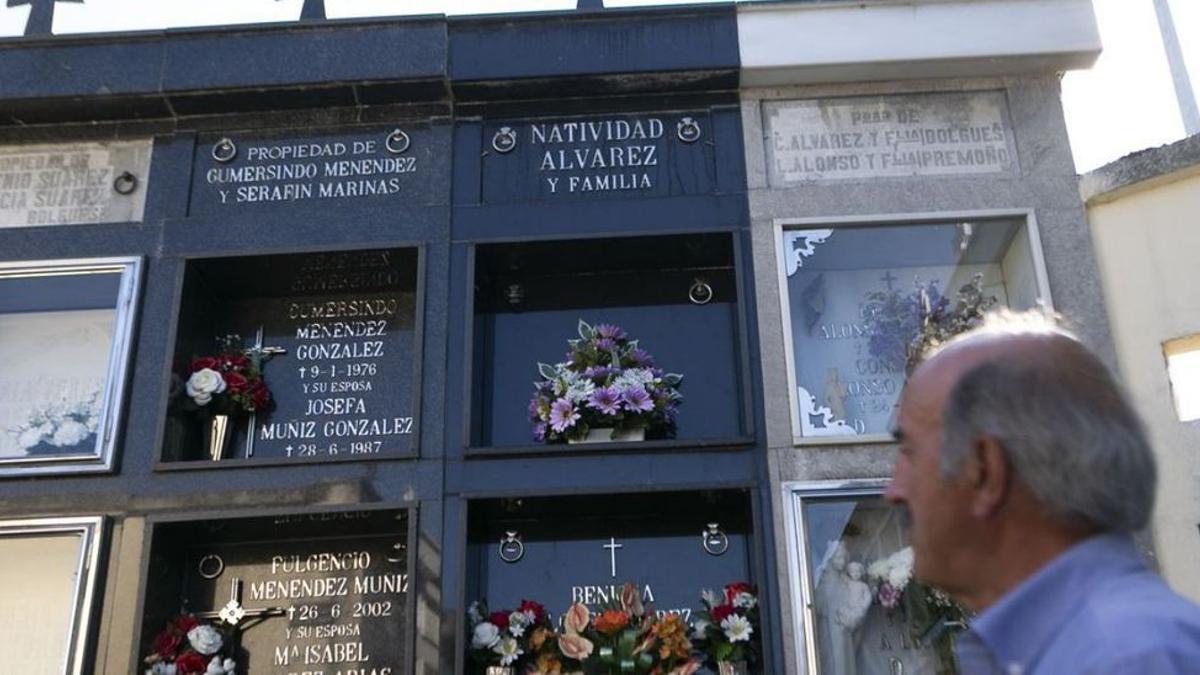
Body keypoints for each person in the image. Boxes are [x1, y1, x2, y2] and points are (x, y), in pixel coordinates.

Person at [885, 310, 1200, 674]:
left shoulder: (1128, 658)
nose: (893, 491)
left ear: (985, 470)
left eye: (909, 451)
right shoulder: (1094, 649)